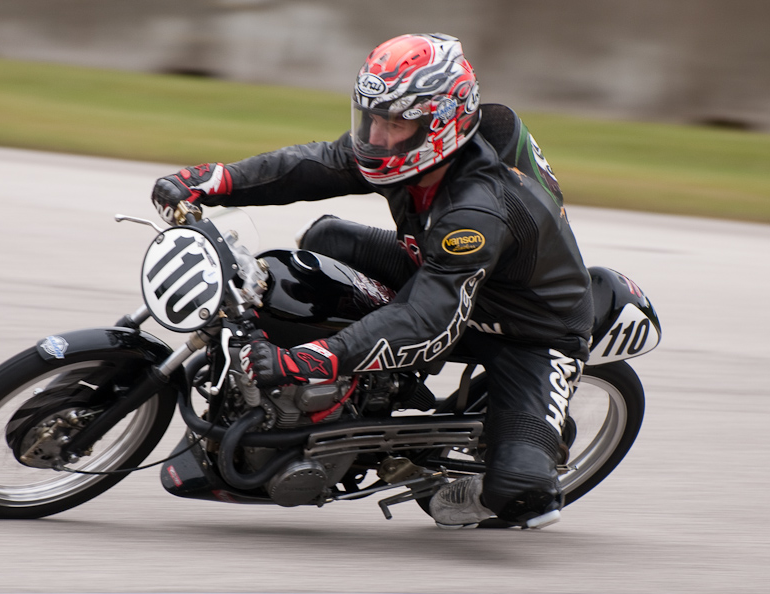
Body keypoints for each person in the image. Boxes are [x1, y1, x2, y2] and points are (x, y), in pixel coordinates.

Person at [150, 33, 593, 530]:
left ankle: (474, 457)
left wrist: (308, 359)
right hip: (444, 269)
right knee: (326, 241)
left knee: (523, 494)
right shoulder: (412, 152)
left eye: (396, 123)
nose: (378, 137)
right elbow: (311, 165)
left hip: (527, 330)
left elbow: (427, 321)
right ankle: (356, 393)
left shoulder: (475, 209)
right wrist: (212, 180)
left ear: (441, 126)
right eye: (373, 118)